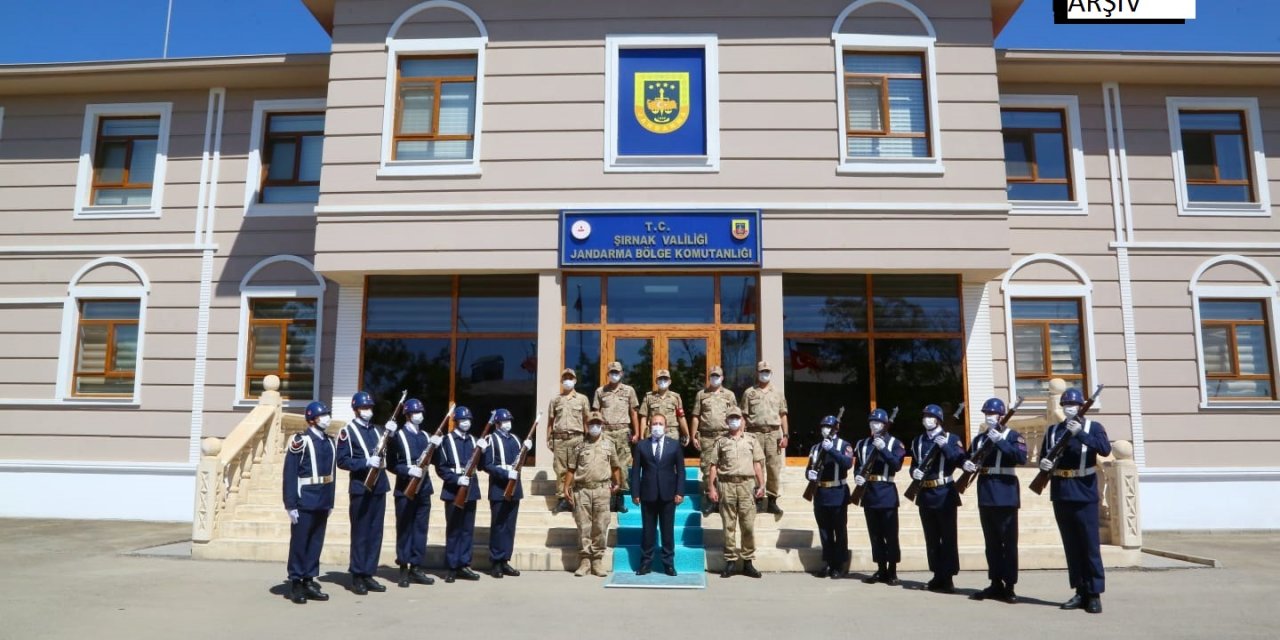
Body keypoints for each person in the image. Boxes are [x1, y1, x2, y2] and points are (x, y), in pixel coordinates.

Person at [1040, 387, 1111, 614]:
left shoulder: (1093, 427)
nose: (1070, 407)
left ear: (1081, 407)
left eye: (1074, 404)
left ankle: (1094, 593)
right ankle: (1080, 590)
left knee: (1089, 545)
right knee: (1071, 546)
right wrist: (1045, 464)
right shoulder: (1053, 431)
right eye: (1066, 404)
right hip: (1062, 491)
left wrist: (1080, 433)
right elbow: (1044, 455)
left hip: (1084, 491)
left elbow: (1104, 449)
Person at [966, 397, 1028, 603]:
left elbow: (1020, 458)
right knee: (991, 543)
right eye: (986, 414)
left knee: (1008, 543)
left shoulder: (1013, 436)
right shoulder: (980, 439)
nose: (989, 417)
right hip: (986, 493)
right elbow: (969, 458)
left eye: (992, 414)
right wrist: (967, 465)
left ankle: (1009, 585)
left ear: (1002, 416)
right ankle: (995, 582)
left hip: (1006, 493)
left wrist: (1000, 441)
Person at [335, 390, 391, 595]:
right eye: (364, 408)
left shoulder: (378, 431)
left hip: (379, 486)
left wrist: (391, 433)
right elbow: (342, 461)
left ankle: (369, 573)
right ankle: (357, 575)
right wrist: (364, 463)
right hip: (361, 487)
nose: (368, 411)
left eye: (370, 408)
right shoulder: (347, 432)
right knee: (361, 532)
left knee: (375, 532)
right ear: (356, 410)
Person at [282, 401, 337, 604]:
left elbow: (332, 474)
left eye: (327, 415)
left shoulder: (329, 441)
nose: (327, 418)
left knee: (315, 541)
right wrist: (290, 504)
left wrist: (331, 500)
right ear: (312, 419)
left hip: (323, 498)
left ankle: (309, 578)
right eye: (323, 415)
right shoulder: (300, 441)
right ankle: (296, 582)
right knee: (300, 541)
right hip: (305, 498)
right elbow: (290, 473)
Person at [909, 403, 966, 594]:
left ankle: (948, 577)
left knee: (948, 537)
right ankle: (937, 574)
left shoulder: (951, 438)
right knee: (931, 538)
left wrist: (945, 447)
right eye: (924, 416)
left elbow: (959, 460)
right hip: (925, 493)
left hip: (944, 492)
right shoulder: (918, 440)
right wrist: (914, 473)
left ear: (939, 420)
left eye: (930, 416)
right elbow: (915, 464)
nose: (926, 419)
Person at [387, 397, 440, 588]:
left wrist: (437, 445)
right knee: (405, 529)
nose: (419, 415)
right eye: (416, 413)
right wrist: (407, 470)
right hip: (404, 488)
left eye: (421, 412)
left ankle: (416, 567)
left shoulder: (425, 436)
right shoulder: (398, 436)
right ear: (407, 415)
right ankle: (403, 566)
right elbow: (391, 464)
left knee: (420, 529)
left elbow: (437, 461)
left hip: (424, 489)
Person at [708, 406, 765, 578]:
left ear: (742, 420)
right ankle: (731, 561)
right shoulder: (720, 441)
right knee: (729, 526)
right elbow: (713, 466)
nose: (734, 421)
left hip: (747, 485)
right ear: (726, 421)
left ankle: (748, 562)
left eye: (737, 418)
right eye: (731, 418)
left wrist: (762, 485)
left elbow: (757, 464)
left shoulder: (751, 440)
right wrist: (711, 488)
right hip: (727, 486)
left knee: (747, 525)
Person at [563, 411, 622, 577]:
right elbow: (571, 468)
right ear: (586, 426)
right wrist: (566, 487)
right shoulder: (579, 446)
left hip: (602, 490)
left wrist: (618, 483)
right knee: (583, 525)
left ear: (602, 425)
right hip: (582, 490)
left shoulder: (609, 444)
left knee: (601, 525)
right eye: (591, 424)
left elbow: (615, 466)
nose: (594, 426)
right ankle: (584, 560)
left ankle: (597, 559)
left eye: (597, 423)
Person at [853, 408, 906, 585]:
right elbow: (858, 466)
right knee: (875, 534)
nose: (874, 425)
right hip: (869, 493)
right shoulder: (862, 444)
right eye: (872, 422)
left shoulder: (894, 443)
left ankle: (892, 570)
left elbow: (896, 465)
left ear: (884, 425)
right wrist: (858, 477)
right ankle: (881, 568)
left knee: (890, 534)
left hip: (886, 492)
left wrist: (883, 449)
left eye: (878, 422)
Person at [434, 405, 487, 583]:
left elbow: (481, 465)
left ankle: (464, 564)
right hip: (453, 490)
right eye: (463, 420)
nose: (466, 423)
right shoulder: (445, 441)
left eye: (468, 420)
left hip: (470, 490)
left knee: (467, 530)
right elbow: (441, 468)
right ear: (456, 422)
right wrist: (455, 479)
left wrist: (484, 451)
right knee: (454, 529)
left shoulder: (474, 441)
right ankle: (451, 566)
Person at [629, 412, 686, 576]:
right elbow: (635, 471)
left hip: (669, 495)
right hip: (648, 494)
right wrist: (635, 492)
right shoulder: (641, 445)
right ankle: (645, 563)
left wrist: (680, 491)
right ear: (649, 426)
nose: (657, 427)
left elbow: (681, 471)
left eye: (661, 424)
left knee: (667, 531)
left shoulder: (674, 445)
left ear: (666, 427)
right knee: (648, 531)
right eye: (654, 423)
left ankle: (668, 564)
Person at [482, 408, 533, 578]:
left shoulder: (516, 439)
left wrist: (526, 450)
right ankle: (496, 561)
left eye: (509, 420)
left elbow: (519, 462)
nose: (507, 424)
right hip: (499, 488)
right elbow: (487, 465)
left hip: (514, 489)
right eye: (504, 421)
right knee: (499, 526)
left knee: (509, 527)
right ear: (497, 424)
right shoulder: (491, 439)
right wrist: (505, 474)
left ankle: (505, 560)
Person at [806, 415, 854, 579]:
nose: (825, 429)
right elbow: (809, 468)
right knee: (824, 530)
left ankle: (839, 564)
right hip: (820, 493)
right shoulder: (815, 448)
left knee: (839, 530)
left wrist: (831, 450)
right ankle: (828, 562)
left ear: (836, 429)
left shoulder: (844, 445)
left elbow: (847, 463)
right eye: (823, 426)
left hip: (837, 492)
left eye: (828, 427)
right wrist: (810, 475)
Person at [740, 361, 789, 515]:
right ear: (757, 373)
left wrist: (785, 434)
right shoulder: (749, 393)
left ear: (771, 373)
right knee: (756, 467)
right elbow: (744, 416)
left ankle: (772, 500)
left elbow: (783, 415)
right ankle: (758, 498)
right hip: (755, 433)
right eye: (762, 371)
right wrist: (741, 435)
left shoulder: (778, 393)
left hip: (774, 434)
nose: (765, 373)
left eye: (767, 371)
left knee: (774, 468)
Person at [593, 361, 639, 513]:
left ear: (622, 373)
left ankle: (619, 499)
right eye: (612, 372)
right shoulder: (600, 391)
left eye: (617, 372)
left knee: (622, 467)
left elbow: (633, 412)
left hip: (622, 432)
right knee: (606, 466)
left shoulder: (629, 390)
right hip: (605, 432)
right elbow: (596, 413)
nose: (614, 374)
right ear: (608, 374)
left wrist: (637, 432)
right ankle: (608, 499)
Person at [692, 365, 737, 517]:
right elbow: (696, 416)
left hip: (725, 436)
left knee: (725, 468)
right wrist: (693, 435)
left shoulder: (729, 395)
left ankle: (724, 501)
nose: (715, 378)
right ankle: (710, 501)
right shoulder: (701, 395)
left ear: (722, 378)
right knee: (707, 469)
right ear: (709, 377)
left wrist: (738, 435)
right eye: (712, 375)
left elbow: (736, 416)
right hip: (707, 437)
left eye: (717, 376)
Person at [549, 368, 591, 514]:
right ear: (561, 381)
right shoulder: (555, 400)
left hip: (577, 439)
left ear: (575, 380)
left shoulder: (582, 399)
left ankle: (574, 499)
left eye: (570, 377)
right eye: (565, 378)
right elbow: (551, 421)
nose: (568, 380)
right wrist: (549, 438)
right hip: (560, 439)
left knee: (576, 470)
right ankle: (562, 499)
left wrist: (589, 439)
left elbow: (587, 420)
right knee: (560, 470)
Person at [639, 369, 690, 445]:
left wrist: (687, 434)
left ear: (670, 381)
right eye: (660, 379)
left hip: (671, 433)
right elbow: (644, 417)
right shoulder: (649, 397)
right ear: (656, 381)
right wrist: (642, 437)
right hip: (653, 433)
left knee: (670, 456)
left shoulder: (676, 397)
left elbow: (681, 417)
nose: (663, 381)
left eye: (665, 379)